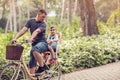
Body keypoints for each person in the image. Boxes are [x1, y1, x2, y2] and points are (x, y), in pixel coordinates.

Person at [12, 9, 50, 74]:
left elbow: (37, 31)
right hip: (34, 44)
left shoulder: (43, 24)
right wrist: (15, 38)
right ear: (38, 14)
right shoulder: (30, 21)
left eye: (44, 17)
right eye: (43, 17)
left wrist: (31, 38)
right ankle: (32, 77)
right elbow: (23, 30)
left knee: (35, 49)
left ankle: (42, 67)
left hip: (43, 43)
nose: (44, 19)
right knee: (32, 62)